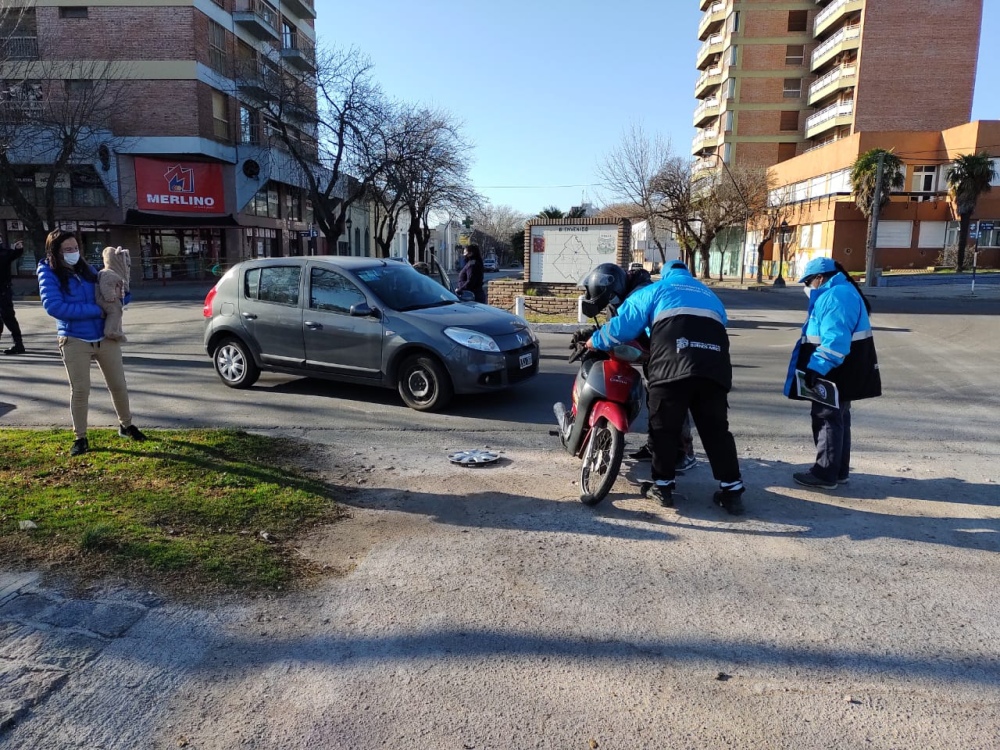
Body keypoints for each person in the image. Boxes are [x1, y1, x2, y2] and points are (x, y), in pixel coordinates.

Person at [586, 260, 746, 515]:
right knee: (717, 431)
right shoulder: (710, 295)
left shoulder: (655, 290)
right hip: (714, 369)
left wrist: (595, 340)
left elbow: (623, 326)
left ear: (667, 274)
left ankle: (663, 488)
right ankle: (733, 491)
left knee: (664, 429)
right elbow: (719, 326)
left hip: (671, 367)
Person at [574, 263, 698, 474]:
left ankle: (684, 453)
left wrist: (596, 341)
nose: (611, 302)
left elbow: (631, 325)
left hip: (671, 352)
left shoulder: (640, 293)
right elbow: (617, 324)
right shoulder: (624, 292)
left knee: (670, 402)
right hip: (659, 351)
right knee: (656, 402)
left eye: (610, 299)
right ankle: (654, 447)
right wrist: (591, 334)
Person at [37, 229, 148, 456]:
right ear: (55, 251)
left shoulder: (87, 269)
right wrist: (96, 311)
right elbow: (54, 307)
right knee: (80, 391)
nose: (73, 253)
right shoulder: (47, 272)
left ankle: (126, 425)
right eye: (67, 250)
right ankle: (81, 438)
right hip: (74, 338)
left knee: (118, 384)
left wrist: (122, 292)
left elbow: (108, 294)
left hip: (105, 336)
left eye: (75, 248)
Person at [784, 257, 881, 490]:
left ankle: (825, 473)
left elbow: (835, 341)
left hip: (833, 369)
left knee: (826, 417)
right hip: (843, 368)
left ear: (820, 277)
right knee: (839, 418)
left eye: (809, 281)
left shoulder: (835, 296)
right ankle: (838, 471)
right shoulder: (842, 291)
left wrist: (816, 368)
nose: (808, 286)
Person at [96, 246, 131, 342]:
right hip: (106, 299)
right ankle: (111, 331)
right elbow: (105, 284)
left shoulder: (115, 273)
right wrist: (109, 296)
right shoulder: (108, 273)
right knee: (115, 312)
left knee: (118, 312)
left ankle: (117, 330)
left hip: (113, 299)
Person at [0, 237, 26, 355]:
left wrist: (18, 249)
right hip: (4, 290)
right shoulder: (5, 253)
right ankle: (18, 344)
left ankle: (18, 344)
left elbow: (14, 254)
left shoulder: (4, 253)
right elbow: (14, 253)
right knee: (6, 318)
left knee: (8, 317)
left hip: (3, 291)